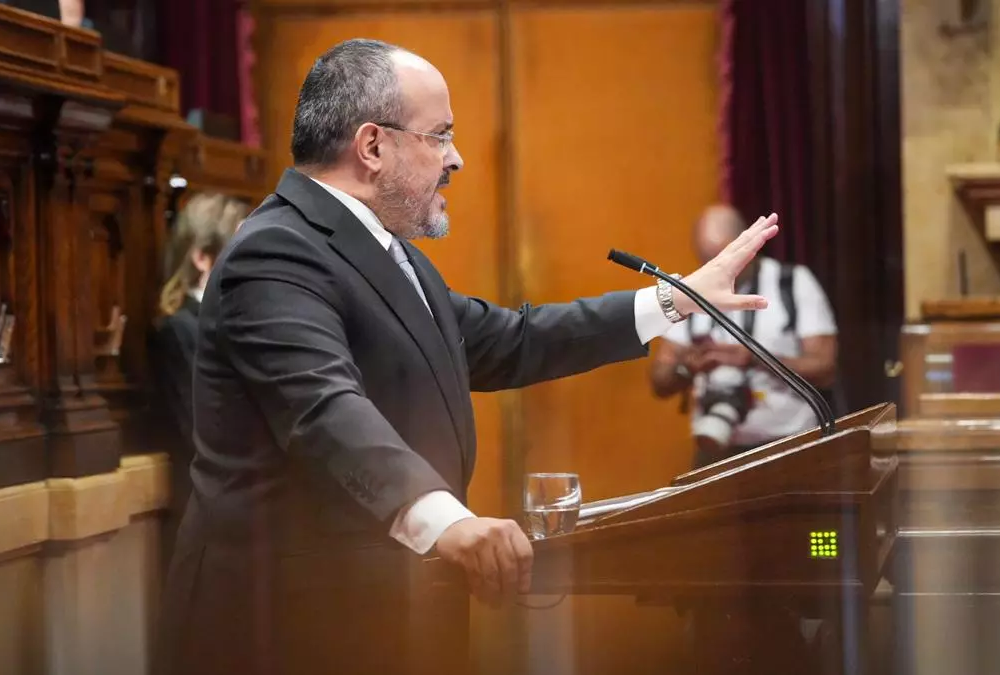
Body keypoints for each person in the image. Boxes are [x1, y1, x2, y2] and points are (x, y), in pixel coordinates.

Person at [154, 39, 779, 675]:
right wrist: (446, 522)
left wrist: (676, 299)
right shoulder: (276, 251)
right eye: (441, 136)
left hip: (372, 616)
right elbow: (322, 409)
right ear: (372, 146)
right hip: (280, 628)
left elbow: (512, 339)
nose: (456, 158)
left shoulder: (392, 255)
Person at [649, 205, 837, 468]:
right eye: (708, 261)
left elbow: (826, 369)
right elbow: (659, 383)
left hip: (792, 445)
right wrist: (688, 367)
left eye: (725, 259)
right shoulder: (690, 291)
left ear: (747, 244)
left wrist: (755, 359)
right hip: (716, 449)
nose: (718, 271)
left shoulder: (792, 283)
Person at [149, 192, 250, 535]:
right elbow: (201, 430)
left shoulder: (237, 321)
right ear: (202, 258)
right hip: (211, 509)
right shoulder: (180, 329)